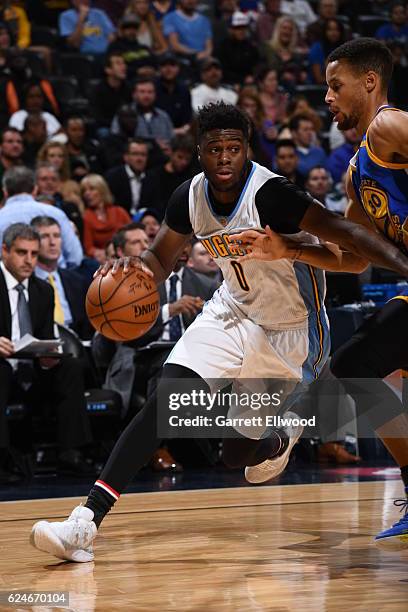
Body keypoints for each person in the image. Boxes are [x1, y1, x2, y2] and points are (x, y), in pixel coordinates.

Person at [30, 101, 408, 563]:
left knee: (237, 457)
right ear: (199, 153)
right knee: (166, 403)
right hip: (230, 311)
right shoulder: (187, 197)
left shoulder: (272, 195)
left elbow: (344, 233)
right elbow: (158, 260)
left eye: (234, 148)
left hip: (288, 331)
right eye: (215, 149)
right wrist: (133, 269)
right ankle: (84, 522)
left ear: (247, 149)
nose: (225, 157)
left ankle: (282, 435)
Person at [226, 39, 408, 550]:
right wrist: (284, 247)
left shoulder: (389, 125)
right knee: (357, 367)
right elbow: (351, 255)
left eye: (336, 85)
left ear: (369, 82)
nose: (327, 97)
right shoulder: (357, 171)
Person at [0, 223, 93, 483]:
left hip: (31, 370)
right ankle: (3, 457)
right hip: (3, 367)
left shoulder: (43, 290)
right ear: (4, 250)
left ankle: (71, 453)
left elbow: (43, 337)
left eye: (33, 254)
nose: (29, 260)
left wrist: (48, 356)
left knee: (70, 367)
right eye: (21, 253)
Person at [0, 166, 83, 267]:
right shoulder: (55, 213)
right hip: (53, 279)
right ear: (35, 189)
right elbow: (75, 257)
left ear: (5, 192)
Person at [31, 216, 93, 339]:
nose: (52, 242)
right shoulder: (25, 282)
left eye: (57, 236)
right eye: (44, 236)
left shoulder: (78, 281)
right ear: (33, 243)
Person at [81, 173, 131, 262]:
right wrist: (101, 253)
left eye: (92, 189)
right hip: (103, 260)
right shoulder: (86, 217)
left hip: (127, 255)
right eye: (84, 191)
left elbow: (133, 234)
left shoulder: (119, 212)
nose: (87, 193)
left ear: (102, 191)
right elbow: (88, 248)